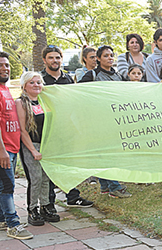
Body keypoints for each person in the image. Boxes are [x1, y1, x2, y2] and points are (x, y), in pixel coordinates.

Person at [0, 51, 32, 239]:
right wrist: (1, 149)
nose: (5, 68)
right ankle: (13, 224)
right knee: (7, 185)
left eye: (6, 65)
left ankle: (0, 219)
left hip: (9, 147)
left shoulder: (2, 88)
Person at [40, 45, 93, 209]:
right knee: (48, 166)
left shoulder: (67, 79)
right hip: (46, 130)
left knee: (69, 163)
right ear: (44, 60)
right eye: (51, 57)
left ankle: (73, 196)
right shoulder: (40, 80)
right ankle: (48, 202)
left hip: (66, 127)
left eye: (57, 57)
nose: (54, 61)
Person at [79, 45, 132, 198]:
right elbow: (79, 93)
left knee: (109, 151)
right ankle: (114, 186)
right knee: (105, 152)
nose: (110, 58)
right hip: (98, 120)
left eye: (111, 55)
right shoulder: (92, 75)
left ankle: (105, 186)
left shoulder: (118, 76)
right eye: (106, 56)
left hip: (114, 119)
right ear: (99, 58)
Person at [16, 72, 58, 226]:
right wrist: (33, 150)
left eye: (38, 82)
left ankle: (45, 206)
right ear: (24, 85)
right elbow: (22, 129)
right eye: (32, 82)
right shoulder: (21, 103)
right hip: (31, 145)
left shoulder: (43, 101)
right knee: (36, 179)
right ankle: (32, 209)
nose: (36, 85)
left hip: (45, 144)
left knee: (46, 178)